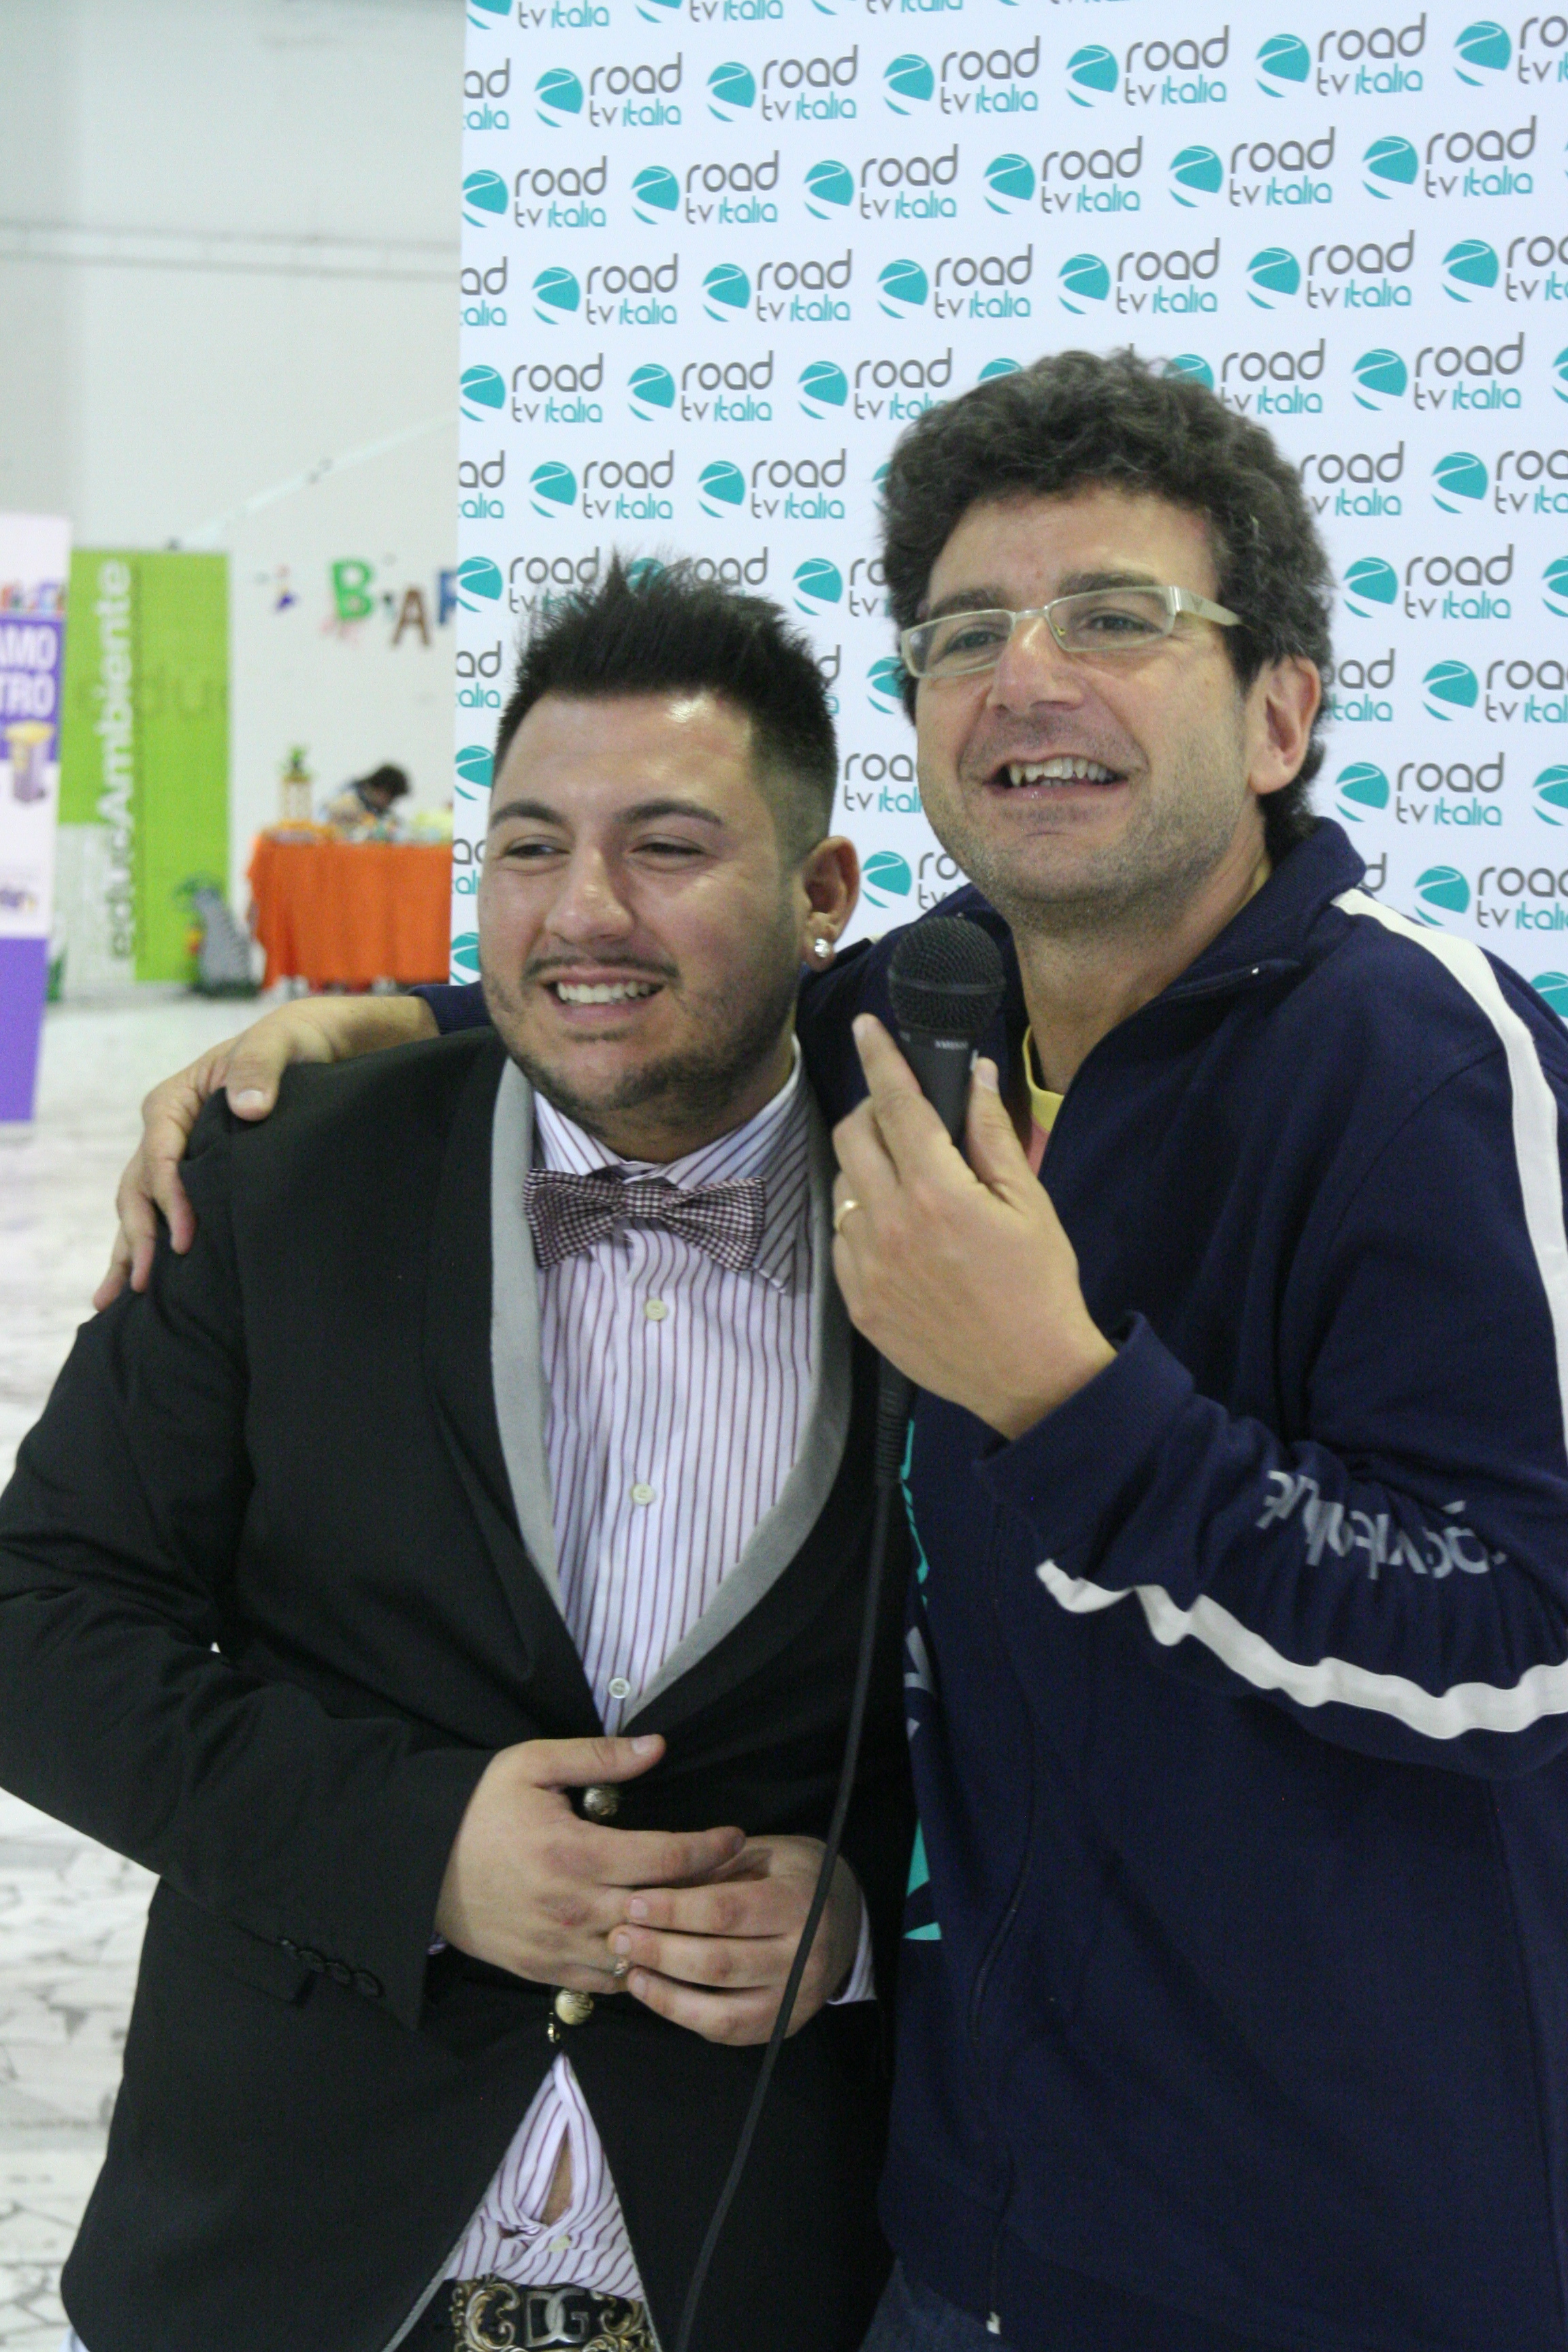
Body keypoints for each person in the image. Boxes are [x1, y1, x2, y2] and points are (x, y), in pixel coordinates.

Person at [101, 350, 1568, 2352]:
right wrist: (384, 1028)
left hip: (1333, 2254)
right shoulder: (930, 1017)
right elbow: (673, 999)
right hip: (970, 2221)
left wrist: (1071, 1402)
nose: (1025, 675)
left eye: (1115, 617)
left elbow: (1525, 1637)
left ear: (1280, 713)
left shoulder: (1414, 1063)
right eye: (966, 632)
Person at [0, 561, 914, 2352]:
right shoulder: (278, 1182)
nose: (583, 912)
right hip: (290, 2246)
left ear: (821, 896)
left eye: (667, 847)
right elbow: (36, 1621)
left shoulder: (959, 1220)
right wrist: (412, 1849)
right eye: (527, 848)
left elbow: (1062, 1723)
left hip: (766, 2251)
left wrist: (868, 1911)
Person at [321, 760, 411, 832]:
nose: (389, 804)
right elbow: (324, 813)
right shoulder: (348, 794)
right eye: (391, 799)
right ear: (383, 791)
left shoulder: (378, 810)